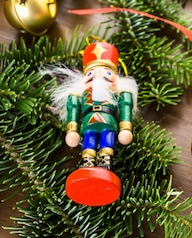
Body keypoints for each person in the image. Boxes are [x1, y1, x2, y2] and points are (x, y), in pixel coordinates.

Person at [44, 41, 137, 206]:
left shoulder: (120, 94)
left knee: (107, 142)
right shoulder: (78, 96)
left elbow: (125, 108)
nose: (99, 77)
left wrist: (125, 128)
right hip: (88, 123)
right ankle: (87, 162)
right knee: (89, 142)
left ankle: (105, 163)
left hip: (108, 122)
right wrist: (72, 130)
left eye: (107, 72)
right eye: (92, 73)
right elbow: (73, 111)